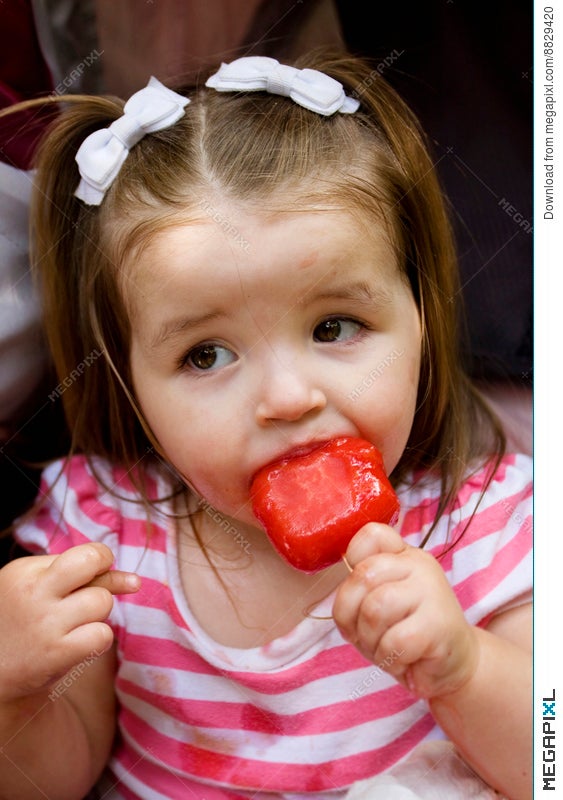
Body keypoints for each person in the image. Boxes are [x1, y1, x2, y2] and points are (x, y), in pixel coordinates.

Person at [0, 52, 531, 800]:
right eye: (206, 354)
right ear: (127, 381)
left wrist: (464, 669)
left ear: (421, 319)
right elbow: (54, 779)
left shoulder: (483, 524)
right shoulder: (101, 539)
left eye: (334, 326)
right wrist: (15, 693)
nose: (287, 398)